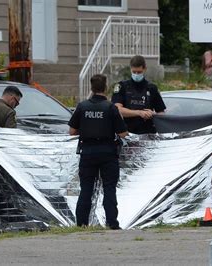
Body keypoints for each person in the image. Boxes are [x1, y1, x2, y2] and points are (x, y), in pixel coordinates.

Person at [68, 74, 128, 230]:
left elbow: (72, 131)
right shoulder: (111, 108)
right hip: (108, 153)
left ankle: (81, 224)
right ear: (105, 87)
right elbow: (122, 134)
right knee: (109, 188)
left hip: (87, 152)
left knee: (86, 189)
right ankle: (112, 223)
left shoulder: (82, 106)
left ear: (91, 88)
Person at [111, 55, 166, 134]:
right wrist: (139, 113)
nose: (136, 74)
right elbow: (117, 110)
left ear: (144, 69)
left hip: (148, 133)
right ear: (130, 69)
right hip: (127, 133)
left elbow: (161, 113)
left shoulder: (152, 88)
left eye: (139, 72)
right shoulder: (122, 86)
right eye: (134, 72)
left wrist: (153, 114)